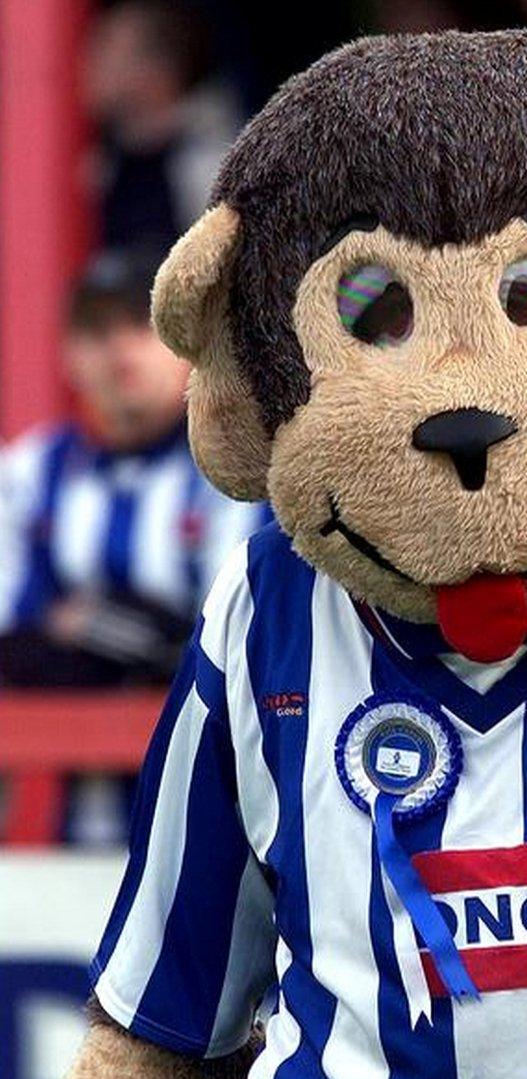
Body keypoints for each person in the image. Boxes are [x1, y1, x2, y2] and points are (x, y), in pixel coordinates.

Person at [0, 249, 267, 689]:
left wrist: (92, 627)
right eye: (98, 331)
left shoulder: (236, 469)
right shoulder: (32, 471)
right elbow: (13, 637)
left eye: (142, 326)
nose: (120, 350)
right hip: (69, 746)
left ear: (190, 342)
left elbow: (233, 642)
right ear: (67, 353)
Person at [85, 0, 241, 255]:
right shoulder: (99, 164)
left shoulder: (211, 166)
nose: (88, 60)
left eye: (107, 46)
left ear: (157, 68)